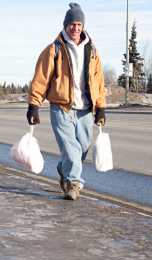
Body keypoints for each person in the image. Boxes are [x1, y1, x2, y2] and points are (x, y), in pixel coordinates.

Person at [26, 2, 106, 200]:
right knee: (71, 150)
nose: (76, 28)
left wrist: (101, 107)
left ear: (83, 26)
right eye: (72, 24)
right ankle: (73, 184)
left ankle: (63, 168)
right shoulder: (54, 49)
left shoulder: (93, 51)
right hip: (61, 107)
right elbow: (41, 78)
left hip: (86, 108)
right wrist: (34, 105)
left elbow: (98, 80)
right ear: (65, 25)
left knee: (83, 147)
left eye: (79, 24)